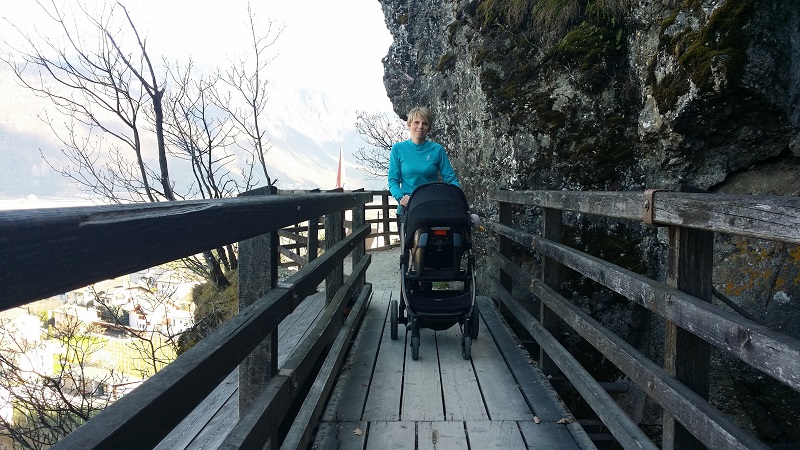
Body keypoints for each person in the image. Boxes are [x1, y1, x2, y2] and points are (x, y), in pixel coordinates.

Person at [387, 106, 460, 214]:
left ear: (428, 128)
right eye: (416, 122)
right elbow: (393, 180)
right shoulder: (398, 149)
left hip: (431, 205)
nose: (420, 126)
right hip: (407, 208)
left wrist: (458, 197)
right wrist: (400, 197)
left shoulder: (437, 150)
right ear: (409, 124)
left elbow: (450, 179)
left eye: (424, 123)